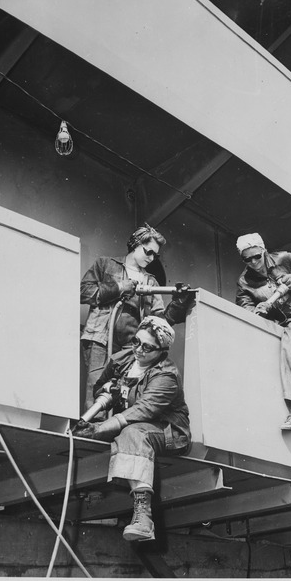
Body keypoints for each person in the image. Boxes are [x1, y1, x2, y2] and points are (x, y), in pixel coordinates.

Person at [73, 316, 191, 542]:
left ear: (161, 351)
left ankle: (144, 519)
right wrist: (107, 390)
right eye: (137, 341)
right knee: (128, 432)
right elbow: (100, 386)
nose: (139, 349)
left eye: (147, 347)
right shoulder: (123, 359)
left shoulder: (166, 375)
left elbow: (144, 410)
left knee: (131, 432)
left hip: (169, 431)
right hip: (131, 425)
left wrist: (98, 429)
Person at [80, 223, 193, 412]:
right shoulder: (105, 265)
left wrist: (179, 302)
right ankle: (90, 433)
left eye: (155, 256)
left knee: (123, 396)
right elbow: (84, 292)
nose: (151, 258)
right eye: (148, 252)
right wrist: (119, 288)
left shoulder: (151, 282)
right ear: (135, 243)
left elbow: (159, 321)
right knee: (96, 391)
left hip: (130, 347)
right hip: (99, 338)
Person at [235, 233, 291, 431]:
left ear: (263, 250)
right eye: (247, 259)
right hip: (277, 325)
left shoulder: (283, 258)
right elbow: (244, 307)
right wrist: (258, 311)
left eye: (256, 256)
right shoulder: (244, 282)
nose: (253, 262)